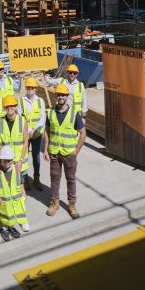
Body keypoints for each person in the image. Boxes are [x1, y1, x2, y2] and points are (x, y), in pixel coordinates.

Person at [43, 83, 86, 220]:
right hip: (55, 153)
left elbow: (83, 133)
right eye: (59, 94)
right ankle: (54, 203)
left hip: (69, 154)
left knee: (71, 179)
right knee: (55, 179)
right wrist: (46, 149)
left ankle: (72, 205)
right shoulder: (50, 112)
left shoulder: (74, 114)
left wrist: (76, 151)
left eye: (63, 95)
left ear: (67, 96)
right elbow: (47, 131)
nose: (61, 97)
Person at [0, 146, 29, 241]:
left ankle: (11, 227)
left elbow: (21, 182)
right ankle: (4, 229)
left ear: (12, 160)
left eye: (9, 160)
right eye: (4, 161)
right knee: (4, 214)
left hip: (14, 199)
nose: (7, 163)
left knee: (12, 214)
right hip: (3, 200)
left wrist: (24, 192)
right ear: (0, 161)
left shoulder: (16, 171)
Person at [0, 95, 29, 184]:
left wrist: (20, 161)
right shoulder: (0, 121)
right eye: (7, 106)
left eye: (12, 105)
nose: (10, 108)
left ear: (16, 106)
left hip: (19, 163)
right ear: (4, 107)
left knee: (20, 190)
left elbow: (26, 142)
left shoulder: (22, 120)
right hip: (5, 163)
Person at [20, 77, 47, 191]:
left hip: (37, 134)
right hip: (26, 133)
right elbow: (21, 117)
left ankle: (36, 178)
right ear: (26, 88)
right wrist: (29, 130)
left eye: (32, 87)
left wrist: (34, 130)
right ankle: (25, 179)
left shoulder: (40, 101)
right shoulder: (21, 101)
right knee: (24, 157)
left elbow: (42, 118)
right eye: (28, 87)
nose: (30, 89)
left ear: (35, 88)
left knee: (36, 156)